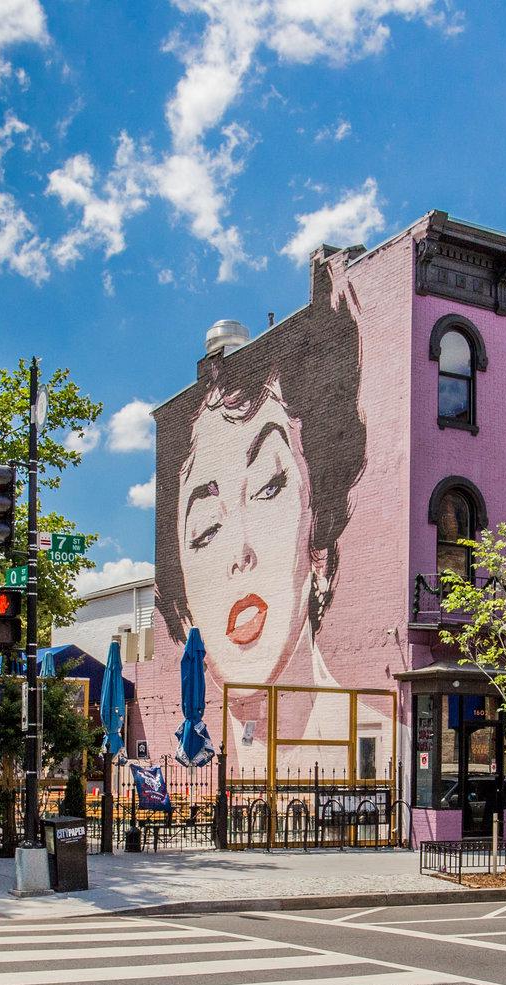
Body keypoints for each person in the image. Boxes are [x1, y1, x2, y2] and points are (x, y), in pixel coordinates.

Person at [154, 254, 369, 776]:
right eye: (205, 529)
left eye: (270, 486)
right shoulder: (204, 725)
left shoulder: (367, 722)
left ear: (317, 535)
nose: (240, 553)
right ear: (184, 603)